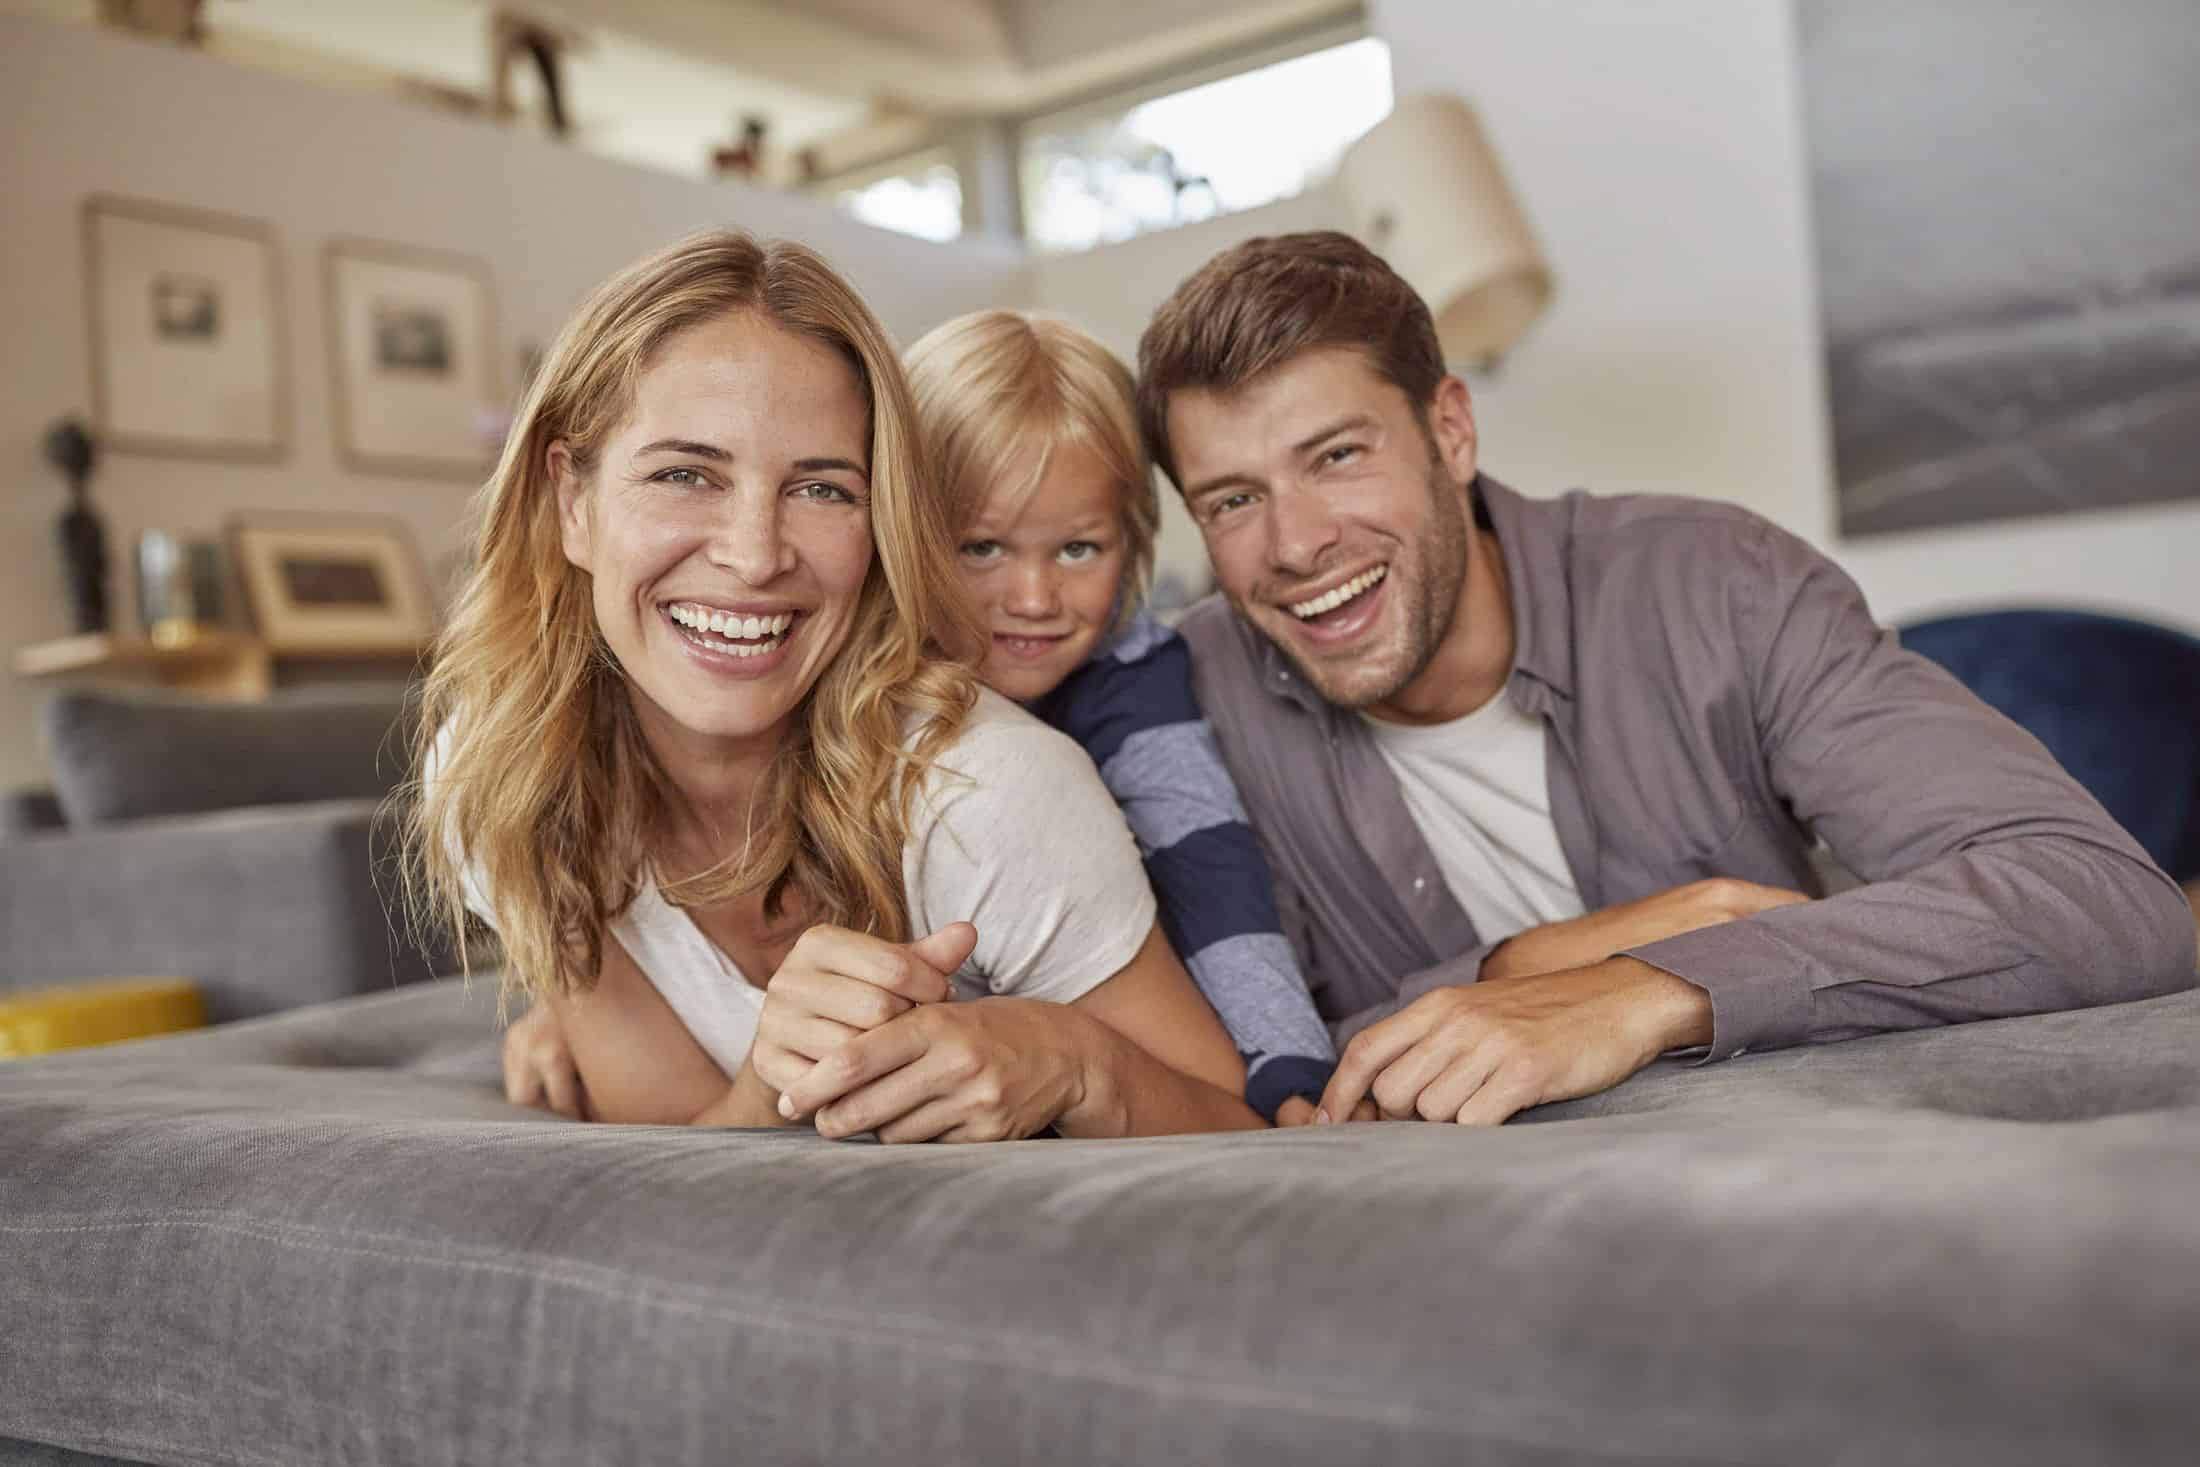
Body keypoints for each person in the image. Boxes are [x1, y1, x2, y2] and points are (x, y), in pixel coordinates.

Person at [1132, 230, 2198, 1127]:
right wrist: (1523, 971)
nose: (1295, 544)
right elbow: (1238, 1067)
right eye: (1231, 500)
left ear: (1448, 431)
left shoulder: (1717, 584)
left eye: (1335, 457)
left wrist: (1650, 990)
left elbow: (2100, 901)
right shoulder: (1183, 703)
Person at [411, 231, 1263, 1142]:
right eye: (684, 474)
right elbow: (675, 1162)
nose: (753, 555)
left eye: (821, 489)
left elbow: (1240, 1132)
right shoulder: (502, 770)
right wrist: (774, 1083)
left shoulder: (992, 793)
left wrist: (1078, 1061)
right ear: (570, 502)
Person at [903, 309, 1339, 1124]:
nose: (1033, 600)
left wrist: (1291, 1071)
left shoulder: (1133, 674)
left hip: (1146, 1038)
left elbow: (1214, 870)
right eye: (981, 549)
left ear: (1132, 543)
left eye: (1078, 550)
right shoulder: (863, 678)